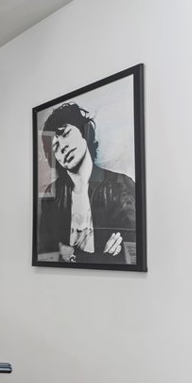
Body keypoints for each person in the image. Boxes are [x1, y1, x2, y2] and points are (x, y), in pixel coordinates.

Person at [37, 102, 136, 263]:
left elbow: (134, 249)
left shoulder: (121, 185)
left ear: (84, 132)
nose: (62, 147)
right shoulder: (53, 193)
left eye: (66, 134)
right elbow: (45, 252)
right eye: (55, 146)